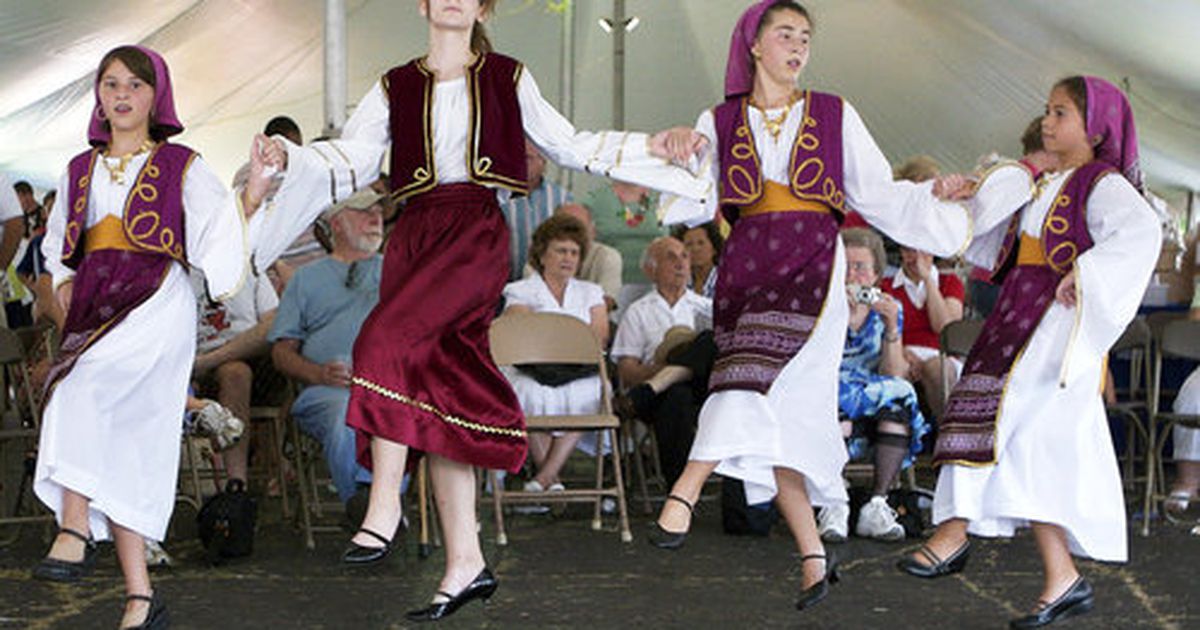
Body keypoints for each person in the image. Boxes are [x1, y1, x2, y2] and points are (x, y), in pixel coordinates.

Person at [253, 0, 707, 620]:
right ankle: (465, 561)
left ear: (484, 5)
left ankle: (383, 502)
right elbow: (352, 159)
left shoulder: (509, 77)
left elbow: (569, 143)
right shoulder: (395, 85)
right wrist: (291, 158)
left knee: (381, 341)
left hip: (471, 233)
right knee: (440, 393)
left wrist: (652, 147)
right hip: (414, 234)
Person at [651, 0, 969, 613]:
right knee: (786, 414)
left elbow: (878, 193)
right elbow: (689, 199)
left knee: (743, 373)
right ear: (754, 45)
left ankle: (685, 488)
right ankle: (813, 556)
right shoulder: (718, 119)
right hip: (745, 265)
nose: (797, 47)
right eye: (785, 35)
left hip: (809, 265)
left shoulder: (834, 113)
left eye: (805, 38)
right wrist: (675, 152)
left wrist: (939, 200)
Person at [898, 77, 1160, 629]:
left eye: (1061, 113)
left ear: (1097, 127)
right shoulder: (1043, 181)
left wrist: (1084, 276)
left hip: (1053, 325)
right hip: (1019, 313)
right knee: (1026, 441)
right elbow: (992, 236)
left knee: (1007, 416)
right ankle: (1060, 577)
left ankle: (953, 532)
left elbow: (1141, 233)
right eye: (1047, 110)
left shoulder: (1100, 182)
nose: (1048, 121)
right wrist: (967, 193)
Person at [32, 45, 272, 629]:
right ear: (98, 95)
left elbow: (218, 227)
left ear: (154, 96)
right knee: (128, 450)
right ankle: (141, 598)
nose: (121, 95)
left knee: (75, 389)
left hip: (155, 301)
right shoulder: (78, 170)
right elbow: (58, 242)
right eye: (110, 84)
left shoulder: (181, 165)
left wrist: (255, 193)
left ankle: (71, 526)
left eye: (134, 85)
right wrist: (63, 282)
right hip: (96, 306)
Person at [269, 188, 384, 513]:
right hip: (327, 390)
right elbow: (282, 352)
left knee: (392, 411)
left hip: (387, 387)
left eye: (378, 210)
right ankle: (367, 507)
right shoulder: (305, 279)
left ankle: (373, 509)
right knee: (345, 415)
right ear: (335, 223)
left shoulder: (398, 272)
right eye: (363, 212)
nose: (376, 218)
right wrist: (318, 373)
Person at [818, 228, 928, 542]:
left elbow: (893, 373)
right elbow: (818, 367)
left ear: (876, 275)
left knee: (899, 397)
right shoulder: (823, 309)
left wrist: (892, 328)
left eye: (861, 267)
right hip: (828, 397)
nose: (852, 275)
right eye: (846, 267)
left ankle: (876, 505)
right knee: (833, 398)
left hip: (872, 399)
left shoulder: (887, 309)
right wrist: (840, 316)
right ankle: (834, 501)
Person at [500, 214, 608, 495]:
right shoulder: (519, 290)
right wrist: (568, 336)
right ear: (542, 254)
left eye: (574, 252)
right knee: (527, 392)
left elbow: (597, 339)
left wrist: (550, 334)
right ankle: (552, 479)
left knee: (595, 391)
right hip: (532, 371)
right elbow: (520, 334)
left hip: (579, 371)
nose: (568, 258)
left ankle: (544, 477)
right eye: (561, 250)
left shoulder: (591, 292)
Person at [612, 236, 713, 487]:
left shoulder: (706, 308)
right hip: (661, 400)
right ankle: (680, 488)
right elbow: (626, 370)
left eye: (685, 257)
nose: (680, 263)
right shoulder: (638, 311)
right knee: (676, 395)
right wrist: (663, 370)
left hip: (703, 391)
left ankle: (659, 384)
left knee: (709, 339)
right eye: (671, 257)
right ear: (651, 269)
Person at [501, 139, 571, 280]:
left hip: (548, 285)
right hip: (505, 285)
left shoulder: (562, 198)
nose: (520, 162)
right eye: (516, 157)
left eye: (527, 158)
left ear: (543, 163)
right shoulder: (499, 196)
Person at [554, 203, 622, 312]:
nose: (572, 235)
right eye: (565, 228)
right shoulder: (539, 256)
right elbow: (531, 300)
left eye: (579, 228)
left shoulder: (608, 256)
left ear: (593, 231)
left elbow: (606, 303)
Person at [673, 222, 723, 298]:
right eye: (689, 244)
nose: (695, 249)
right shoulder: (679, 283)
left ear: (714, 249)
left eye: (701, 243)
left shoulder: (726, 280)